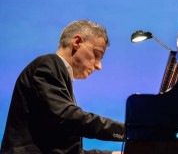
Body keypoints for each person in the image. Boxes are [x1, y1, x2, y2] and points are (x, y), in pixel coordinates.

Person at [0, 20, 125, 154]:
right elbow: (68, 117)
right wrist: (128, 131)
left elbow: (67, 150)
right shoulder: (48, 64)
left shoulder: (59, 79)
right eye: (96, 55)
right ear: (77, 42)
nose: (99, 66)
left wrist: (114, 153)